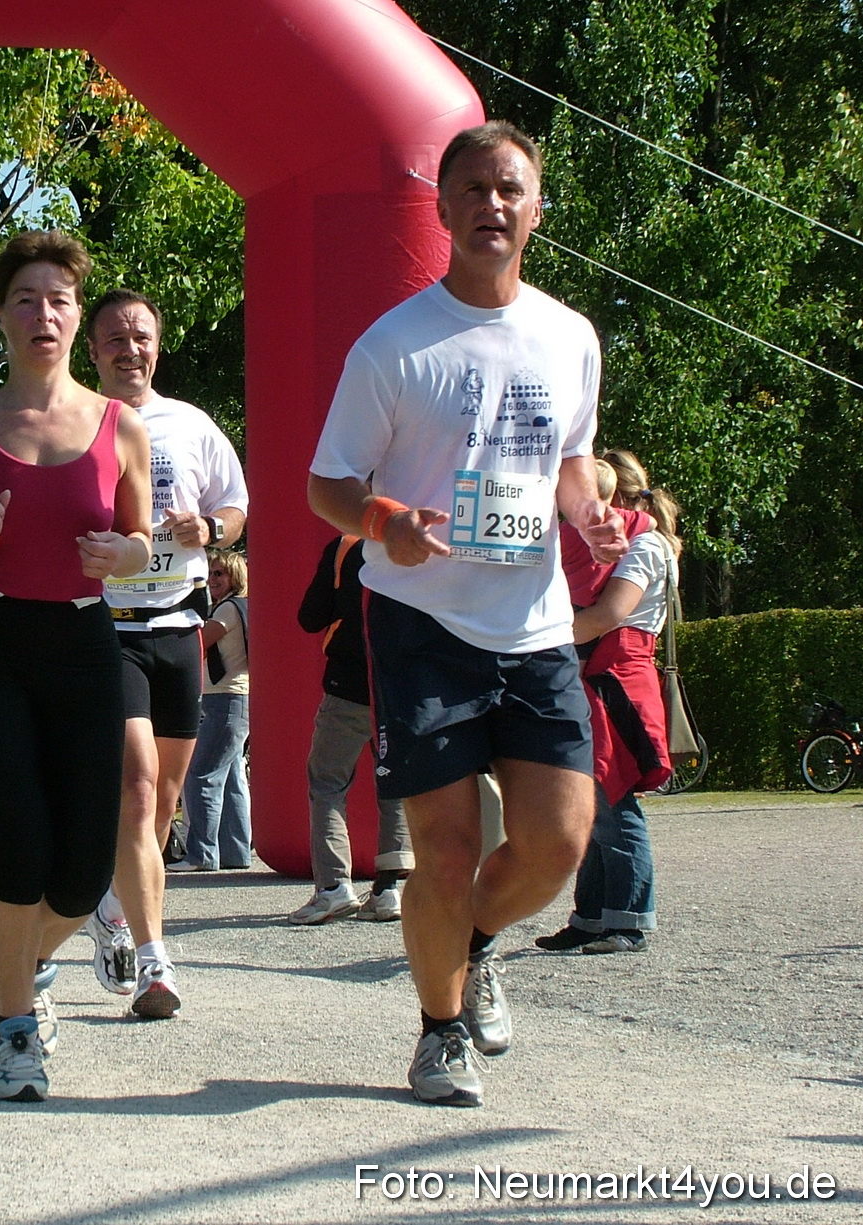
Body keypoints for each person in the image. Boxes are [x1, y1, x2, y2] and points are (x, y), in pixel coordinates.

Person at [307, 121, 627, 1108]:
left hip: (530, 622)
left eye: (509, 189)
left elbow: (570, 461)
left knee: (558, 844)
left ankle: (474, 941)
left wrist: (590, 515)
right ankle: (439, 1031)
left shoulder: (570, 336)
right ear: (442, 209)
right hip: (419, 621)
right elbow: (328, 483)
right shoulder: (394, 346)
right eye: (473, 190)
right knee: (442, 847)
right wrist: (385, 521)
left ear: (536, 210)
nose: (491, 205)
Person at [0, 229, 152, 1101]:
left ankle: (25, 966)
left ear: (76, 317)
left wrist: (121, 553)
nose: (40, 313)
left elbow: (141, 544)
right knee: (19, 849)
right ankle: (14, 1032)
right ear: (1, 317)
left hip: (83, 644)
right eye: (23, 299)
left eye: (57, 299)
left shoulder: (121, 428)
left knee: (83, 873)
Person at [82, 287, 249, 1019]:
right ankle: (156, 961)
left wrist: (206, 529)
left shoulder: (189, 424)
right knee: (138, 783)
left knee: (165, 803)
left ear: (158, 345)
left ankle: (115, 904)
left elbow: (238, 507)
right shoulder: (76, 423)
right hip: (104, 626)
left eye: (140, 336)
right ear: (93, 350)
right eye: (114, 338)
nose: (129, 348)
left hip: (177, 623)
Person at [537, 451, 680, 955]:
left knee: (612, 800)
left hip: (618, 678)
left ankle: (629, 916)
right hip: (596, 673)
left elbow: (610, 613)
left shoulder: (646, 544)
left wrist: (535, 640)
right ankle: (594, 914)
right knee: (591, 801)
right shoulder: (620, 543)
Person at [289, 532, 415, 923]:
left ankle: (333, 887)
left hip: (349, 681)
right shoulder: (418, 541)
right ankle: (391, 888)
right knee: (394, 781)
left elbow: (310, 616)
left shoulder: (346, 547)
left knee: (327, 781)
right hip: (401, 683)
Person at [175, 549, 251, 872]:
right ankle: (236, 854)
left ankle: (202, 855)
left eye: (220, 574)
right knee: (231, 778)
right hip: (237, 700)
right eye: (211, 573)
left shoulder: (229, 610)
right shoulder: (242, 607)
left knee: (200, 774)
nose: (213, 580)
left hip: (225, 700)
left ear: (235, 577)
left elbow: (198, 644)